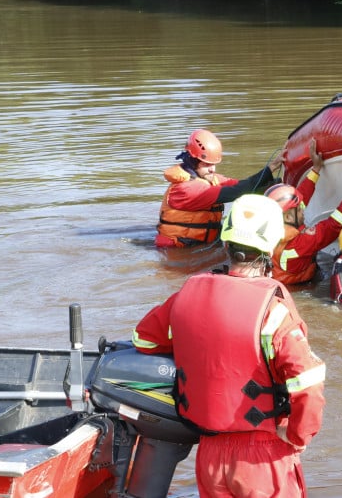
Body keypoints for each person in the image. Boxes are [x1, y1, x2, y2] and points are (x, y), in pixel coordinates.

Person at [133, 194, 325, 497]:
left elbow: (143, 339)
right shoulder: (273, 311)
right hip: (262, 456)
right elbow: (308, 383)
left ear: (226, 244)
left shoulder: (186, 293)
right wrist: (298, 436)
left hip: (209, 453)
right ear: (272, 246)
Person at [155, 128, 281, 248]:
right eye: (207, 164)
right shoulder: (186, 190)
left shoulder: (209, 179)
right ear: (192, 161)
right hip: (177, 250)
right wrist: (271, 168)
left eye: (214, 164)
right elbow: (237, 192)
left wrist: (273, 186)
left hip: (200, 244)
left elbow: (242, 186)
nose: (212, 169)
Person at [266, 140, 342, 285]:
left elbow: (299, 199)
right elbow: (336, 223)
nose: (302, 209)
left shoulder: (267, 225)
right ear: (287, 216)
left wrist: (316, 169)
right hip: (300, 287)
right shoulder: (302, 242)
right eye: (299, 209)